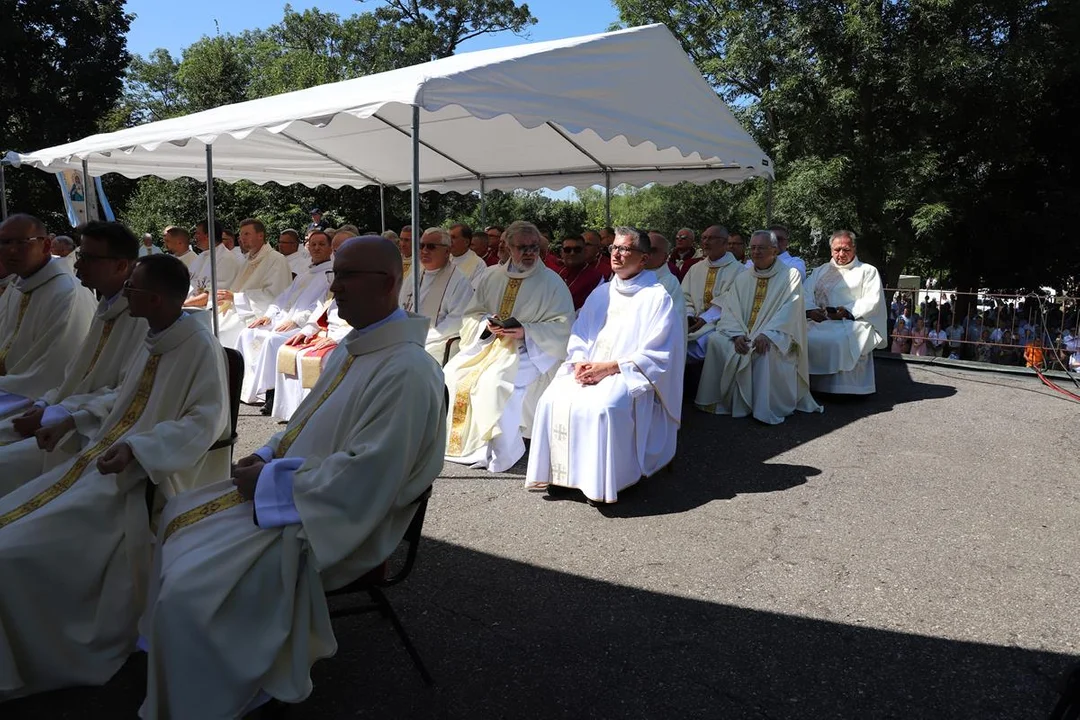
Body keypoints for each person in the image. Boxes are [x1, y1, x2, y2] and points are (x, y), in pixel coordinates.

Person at [138, 237, 445, 720]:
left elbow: (368, 477)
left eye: (346, 277)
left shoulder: (407, 372)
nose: (334, 287)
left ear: (387, 284)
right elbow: (302, 423)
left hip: (332, 518)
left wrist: (269, 482)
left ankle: (223, 690)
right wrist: (263, 454)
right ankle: (182, 664)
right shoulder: (355, 346)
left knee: (190, 589)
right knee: (176, 515)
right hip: (294, 491)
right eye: (334, 275)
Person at [0, 254, 228, 701]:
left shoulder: (199, 347)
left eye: (133, 289)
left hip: (139, 483)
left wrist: (139, 449)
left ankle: (40, 656)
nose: (125, 295)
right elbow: (117, 398)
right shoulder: (152, 338)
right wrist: (71, 418)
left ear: (156, 298)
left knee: (10, 553)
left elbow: (207, 422)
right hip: (96, 461)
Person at [525, 226, 684, 504]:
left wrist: (610, 368)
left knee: (604, 407)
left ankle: (603, 481)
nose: (617, 254)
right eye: (614, 248)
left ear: (644, 258)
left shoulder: (657, 297)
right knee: (551, 399)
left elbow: (659, 352)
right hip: (589, 368)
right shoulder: (601, 294)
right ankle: (561, 476)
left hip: (629, 374)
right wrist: (578, 362)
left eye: (625, 249)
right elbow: (580, 332)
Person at [0, 222, 147, 496]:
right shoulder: (107, 307)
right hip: (66, 416)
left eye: (89, 258)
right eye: (80, 257)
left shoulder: (144, 319)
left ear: (120, 265)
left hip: (94, 434)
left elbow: (131, 394)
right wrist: (46, 403)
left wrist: (56, 414)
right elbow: (76, 375)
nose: (77, 266)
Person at [443, 221, 574, 472]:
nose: (529, 253)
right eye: (522, 247)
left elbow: (564, 325)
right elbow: (472, 313)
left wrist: (527, 331)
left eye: (534, 247)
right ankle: (458, 445)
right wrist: (485, 324)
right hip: (489, 345)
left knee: (494, 382)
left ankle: (498, 451)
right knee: (451, 373)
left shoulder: (552, 282)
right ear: (508, 248)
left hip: (531, 350)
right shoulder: (491, 275)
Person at [695, 230, 822, 424]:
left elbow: (790, 310)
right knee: (716, 341)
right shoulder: (743, 277)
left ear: (774, 250)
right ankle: (723, 400)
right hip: (742, 333)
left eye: (761, 248)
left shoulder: (790, 275)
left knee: (763, 350)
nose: (756, 252)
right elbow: (730, 309)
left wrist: (768, 334)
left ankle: (760, 405)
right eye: (753, 248)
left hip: (776, 334)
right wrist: (736, 335)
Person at [0, 214, 95, 412]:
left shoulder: (66, 292)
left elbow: (52, 375)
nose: (10, 250)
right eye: (4, 242)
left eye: (21, 242)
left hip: (39, 401)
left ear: (46, 245)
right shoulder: (16, 285)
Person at [237, 230, 334, 412]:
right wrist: (269, 314)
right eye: (313, 244)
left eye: (321, 244)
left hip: (305, 325)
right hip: (283, 318)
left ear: (330, 248)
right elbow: (282, 298)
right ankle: (245, 389)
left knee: (273, 340)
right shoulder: (306, 274)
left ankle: (270, 394)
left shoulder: (330, 275)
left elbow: (321, 306)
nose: (316, 248)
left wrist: (297, 320)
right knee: (247, 333)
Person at [802, 231, 888, 394]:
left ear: (854, 249)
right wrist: (811, 310)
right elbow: (805, 293)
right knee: (802, 337)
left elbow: (872, 299)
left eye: (846, 250)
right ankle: (811, 385)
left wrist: (847, 311)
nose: (841, 254)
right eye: (837, 250)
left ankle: (844, 389)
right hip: (820, 320)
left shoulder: (867, 271)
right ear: (831, 250)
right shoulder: (820, 271)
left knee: (838, 340)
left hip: (852, 321)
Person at [398, 227, 475, 364]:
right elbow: (399, 305)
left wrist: (423, 336)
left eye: (431, 247)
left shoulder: (458, 281)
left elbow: (457, 321)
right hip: (405, 336)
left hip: (435, 342)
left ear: (447, 251)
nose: (424, 251)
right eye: (421, 246)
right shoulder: (415, 274)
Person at [213, 218, 293, 347]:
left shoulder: (276, 260)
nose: (242, 238)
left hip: (257, 313)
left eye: (246, 234)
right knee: (211, 324)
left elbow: (275, 296)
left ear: (260, 235)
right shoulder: (248, 259)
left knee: (221, 331)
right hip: (240, 308)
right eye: (241, 234)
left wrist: (235, 298)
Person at [682, 225, 746, 362]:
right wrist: (688, 315)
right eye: (704, 238)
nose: (705, 242)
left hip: (719, 323)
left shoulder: (739, 271)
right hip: (691, 321)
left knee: (705, 343)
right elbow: (684, 295)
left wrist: (705, 318)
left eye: (711, 238)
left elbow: (731, 299)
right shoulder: (695, 268)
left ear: (724, 242)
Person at [184, 220, 241, 308]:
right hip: (190, 306)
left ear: (208, 235)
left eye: (197, 233)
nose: (194, 237)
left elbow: (213, 295)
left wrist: (182, 304)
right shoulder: (202, 256)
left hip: (208, 313)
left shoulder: (226, 259)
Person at [557, 234, 605, 310]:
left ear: (585, 251)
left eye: (577, 250)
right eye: (567, 250)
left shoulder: (597, 279)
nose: (572, 253)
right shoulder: (557, 273)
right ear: (561, 253)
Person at [645, 231, 685, 315]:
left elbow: (671, 320)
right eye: (644, 248)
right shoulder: (629, 274)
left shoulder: (670, 283)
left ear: (665, 257)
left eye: (653, 250)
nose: (646, 253)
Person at [448, 223, 488, 288]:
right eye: (448, 237)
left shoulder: (478, 264)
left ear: (466, 242)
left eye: (453, 237)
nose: (449, 241)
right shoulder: (443, 258)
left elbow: (474, 291)